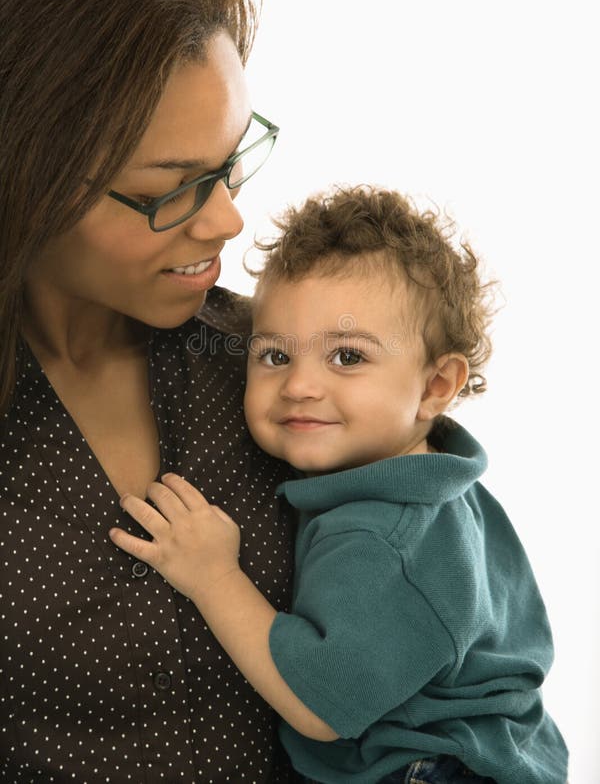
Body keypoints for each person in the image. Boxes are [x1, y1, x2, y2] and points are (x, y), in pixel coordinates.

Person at [111, 185, 569, 784]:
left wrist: (214, 577)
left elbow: (322, 705)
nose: (300, 385)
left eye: (347, 357)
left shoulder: (388, 535)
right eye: (274, 356)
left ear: (436, 385)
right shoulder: (434, 484)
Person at [0, 0, 300, 780]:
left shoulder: (275, 363)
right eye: (173, 186)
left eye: (231, 162)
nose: (229, 222)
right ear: (26, 179)